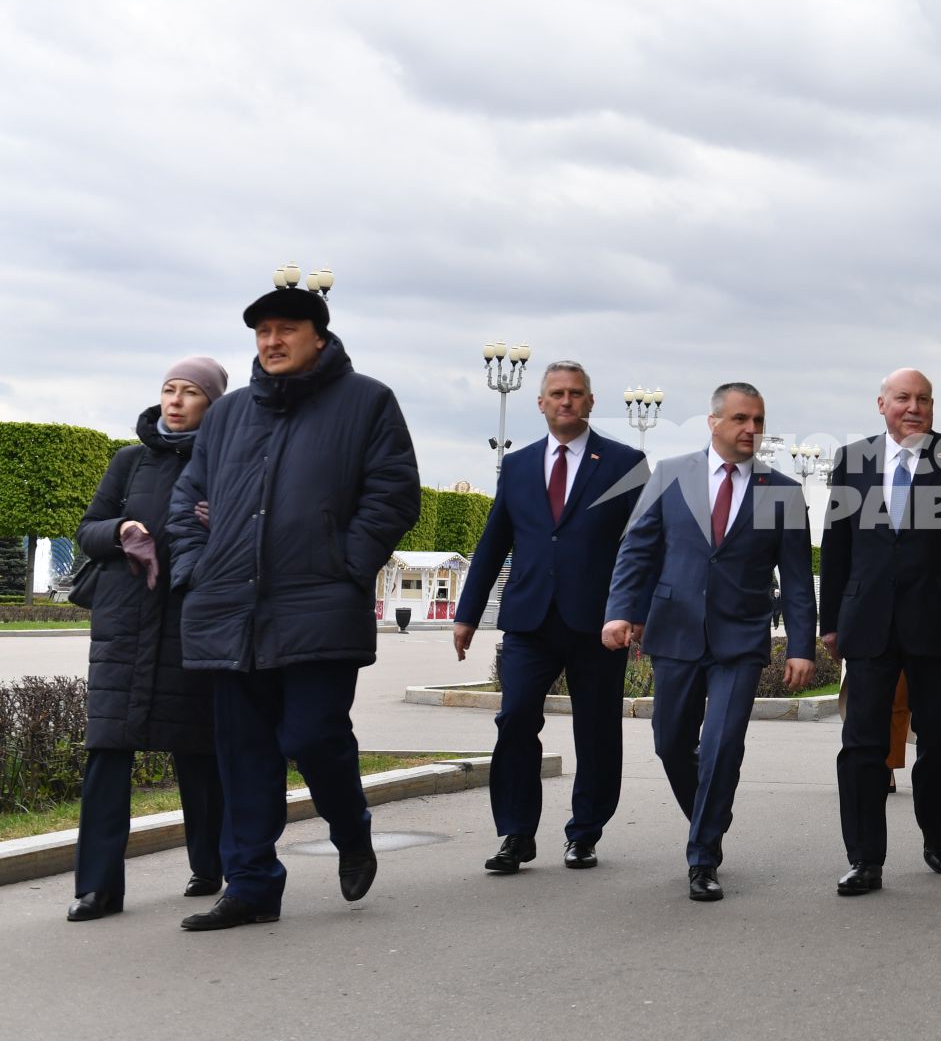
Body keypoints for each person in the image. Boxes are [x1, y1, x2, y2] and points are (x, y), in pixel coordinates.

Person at [168, 285, 419, 931]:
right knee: (244, 753)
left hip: (320, 607)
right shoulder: (224, 417)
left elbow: (393, 495)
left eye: (285, 330)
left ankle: (350, 827)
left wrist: (345, 565)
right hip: (231, 612)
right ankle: (251, 884)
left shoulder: (367, 402)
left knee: (313, 735)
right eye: (262, 332)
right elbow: (186, 502)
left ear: (318, 336)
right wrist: (196, 569)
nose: (271, 342)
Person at [603, 382, 815, 902]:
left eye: (758, 421)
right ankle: (712, 808)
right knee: (669, 741)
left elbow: (796, 576)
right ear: (713, 422)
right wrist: (620, 613)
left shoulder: (779, 490)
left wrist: (804, 646)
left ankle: (703, 854)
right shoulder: (672, 474)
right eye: (741, 419)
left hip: (740, 638)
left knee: (722, 745)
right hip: (674, 631)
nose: (751, 430)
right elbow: (638, 548)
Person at [454, 361, 645, 875]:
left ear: (590, 402)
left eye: (576, 393)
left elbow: (648, 544)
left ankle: (584, 833)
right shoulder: (516, 467)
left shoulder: (627, 462)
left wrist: (637, 612)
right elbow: (494, 540)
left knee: (597, 731)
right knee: (514, 719)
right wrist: (466, 614)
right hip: (529, 620)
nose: (566, 401)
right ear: (539, 403)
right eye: (556, 393)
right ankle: (516, 833)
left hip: (599, 624)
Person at [819, 368, 941, 895]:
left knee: (940, 741)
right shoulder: (851, 462)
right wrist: (830, 621)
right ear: (882, 404)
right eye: (904, 398)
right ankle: (865, 858)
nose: (915, 407)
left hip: (939, 620)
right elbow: (836, 546)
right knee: (861, 743)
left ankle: (933, 825)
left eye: (923, 399)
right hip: (869, 623)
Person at [66, 358, 230, 921]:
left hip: (190, 620)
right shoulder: (129, 462)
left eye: (190, 393)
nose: (176, 401)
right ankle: (98, 887)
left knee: (198, 750)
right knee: (107, 752)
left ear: (213, 404)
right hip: (123, 625)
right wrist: (119, 530)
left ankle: (209, 866)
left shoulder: (227, 461)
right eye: (169, 390)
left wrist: (220, 524)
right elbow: (88, 530)